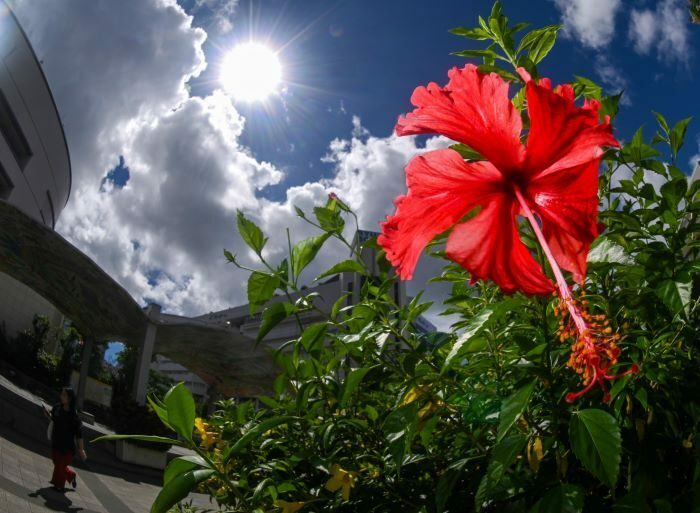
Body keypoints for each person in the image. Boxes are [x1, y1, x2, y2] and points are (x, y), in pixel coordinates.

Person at [43, 387, 86, 492]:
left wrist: (81, 450)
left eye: (64, 395)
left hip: (67, 448)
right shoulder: (57, 407)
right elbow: (53, 418)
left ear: (70, 398)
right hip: (56, 442)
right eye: (61, 394)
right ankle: (71, 475)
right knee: (57, 463)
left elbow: (79, 435)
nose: (61, 396)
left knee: (60, 465)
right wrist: (47, 414)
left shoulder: (74, 417)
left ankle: (59, 486)